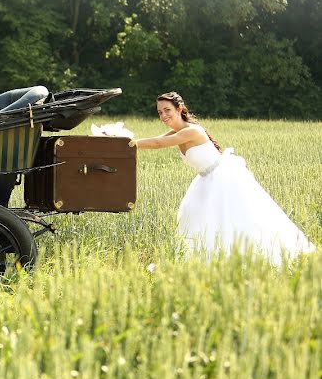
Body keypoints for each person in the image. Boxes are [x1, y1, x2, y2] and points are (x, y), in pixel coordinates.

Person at [135, 91, 315, 264]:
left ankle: (244, 256)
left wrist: (128, 143)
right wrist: (121, 140)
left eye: (167, 110)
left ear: (180, 108)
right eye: (160, 112)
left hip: (221, 178)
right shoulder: (178, 131)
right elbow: (154, 139)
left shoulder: (192, 131)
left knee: (233, 219)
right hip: (205, 180)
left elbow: (157, 144)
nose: (163, 115)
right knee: (198, 219)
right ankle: (205, 259)